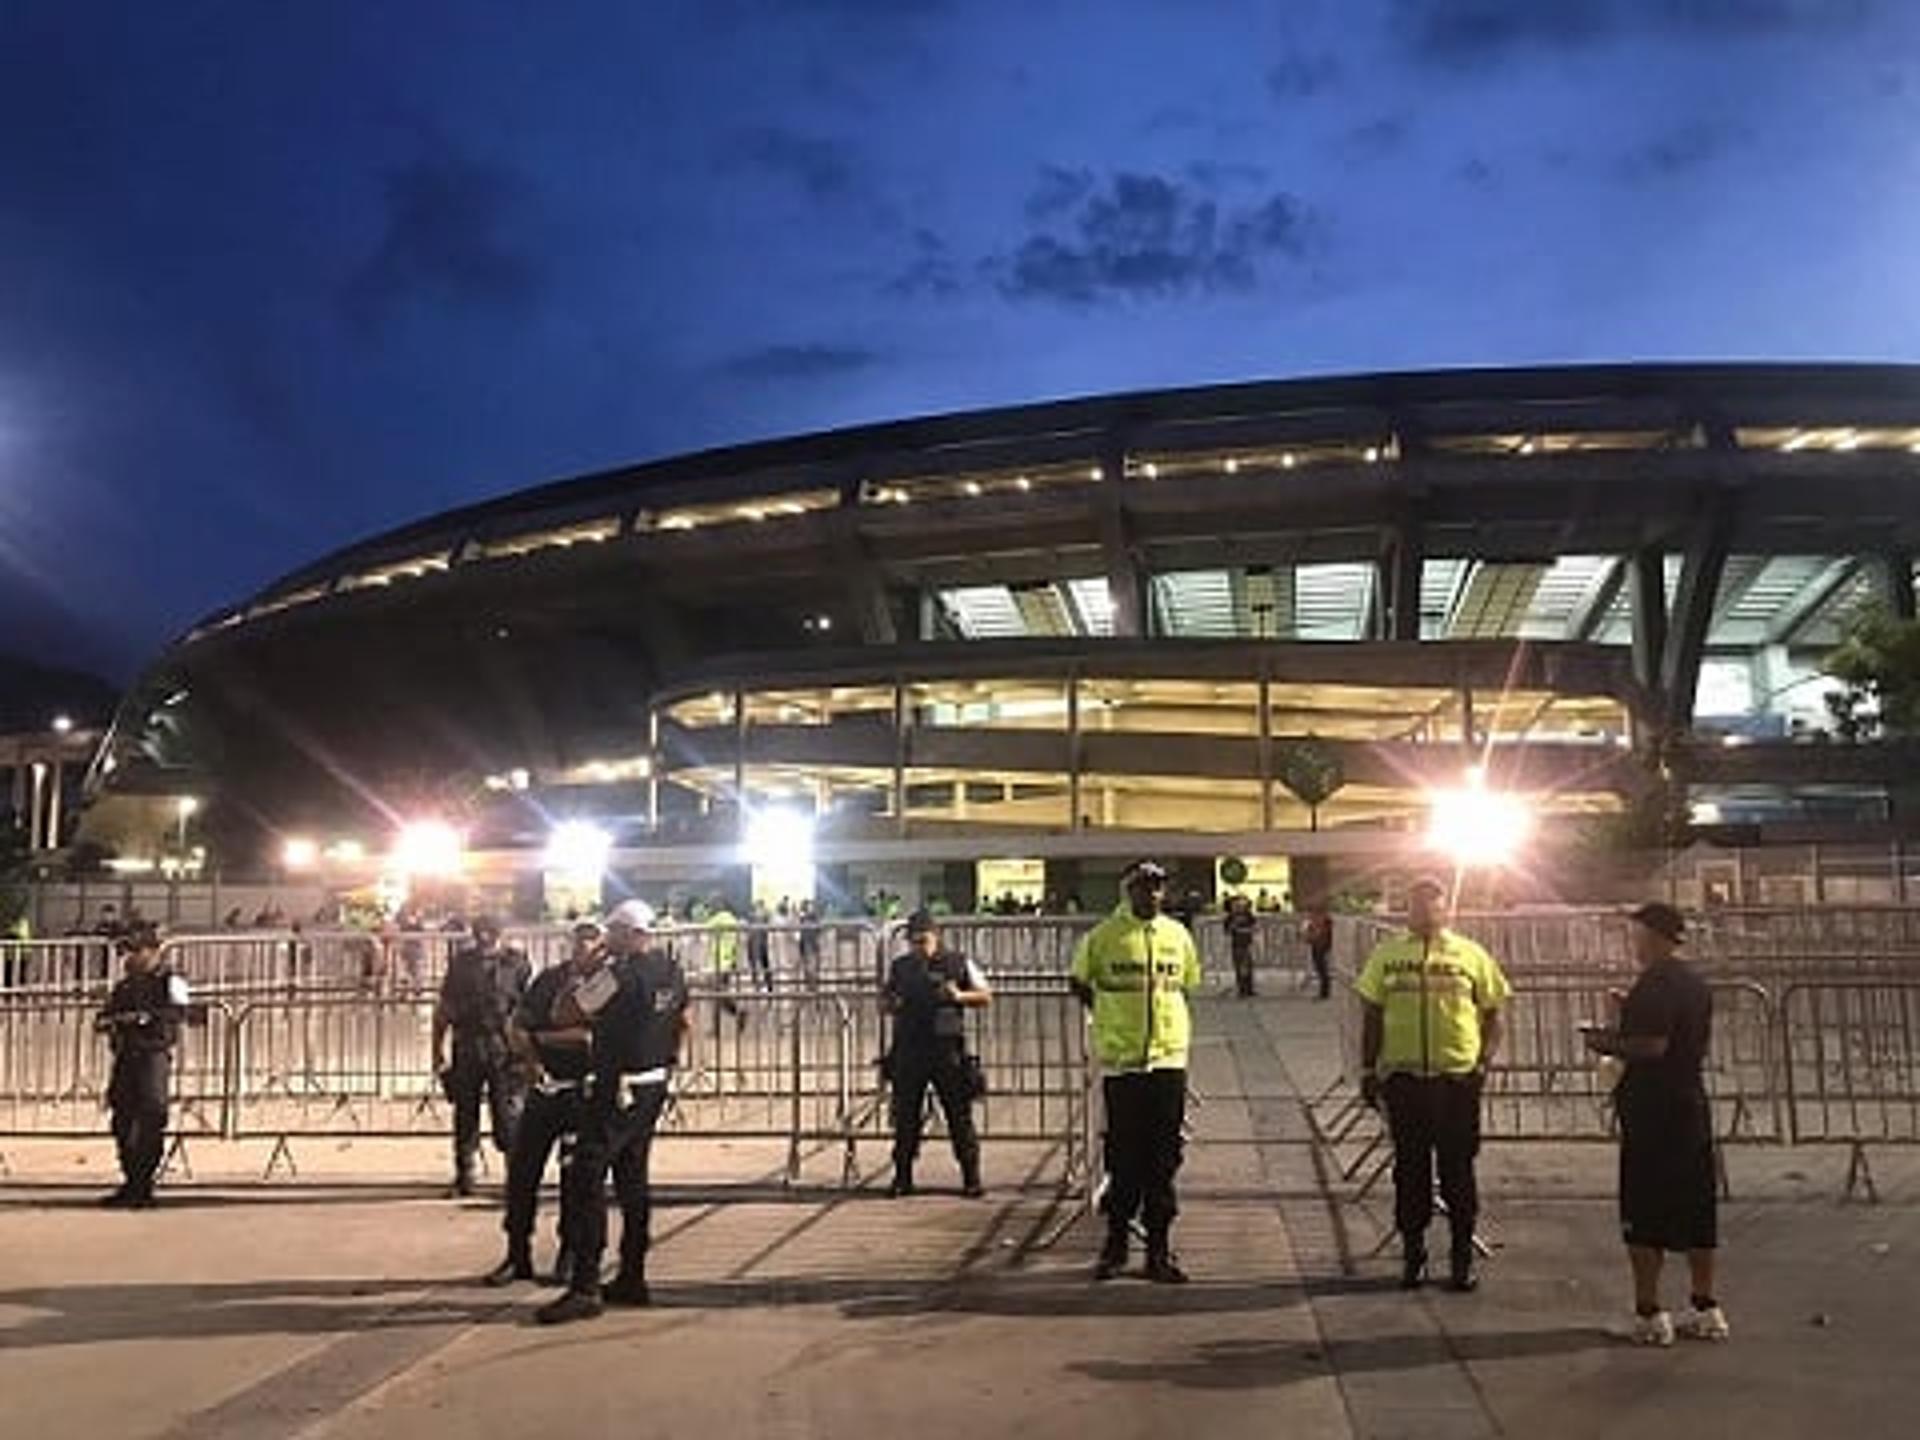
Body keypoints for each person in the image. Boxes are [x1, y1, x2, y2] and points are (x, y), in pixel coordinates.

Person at [539, 899, 691, 1324]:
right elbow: (683, 1018)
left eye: (613, 932)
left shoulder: (617, 976)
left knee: (587, 1176)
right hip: (652, 1084)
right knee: (633, 1180)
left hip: (617, 1089)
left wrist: (584, 970)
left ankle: (585, 1285)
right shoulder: (670, 970)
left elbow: (563, 1013)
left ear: (627, 934)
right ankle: (632, 1274)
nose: (608, 939)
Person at [1355, 876, 1510, 1291]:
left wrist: (1482, 1064)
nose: (1425, 913)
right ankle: (1413, 1254)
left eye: (1433, 906)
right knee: (1410, 1171)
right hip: (1405, 1082)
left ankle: (1461, 1259)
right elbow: (1371, 1014)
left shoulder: (1471, 955)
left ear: (1447, 910)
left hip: (1456, 1081)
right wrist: (1368, 1070)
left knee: (1458, 1171)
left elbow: (1494, 1013)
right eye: (1417, 906)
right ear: (1407, 911)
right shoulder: (1386, 955)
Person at [1584, 902, 1728, 1346]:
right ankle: (1705, 1306)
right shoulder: (1693, 982)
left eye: (1637, 934)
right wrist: (1631, 1010)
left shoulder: (1656, 982)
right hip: (1690, 1106)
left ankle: (1649, 1311)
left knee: (1644, 1209)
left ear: (1654, 935)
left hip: (1653, 1112)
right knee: (1697, 1207)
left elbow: (1651, 1045)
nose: (1633, 943)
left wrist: (1604, 1041)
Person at [1070, 859, 1203, 1283]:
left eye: (1158, 887)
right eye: (1144, 887)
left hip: (1167, 1063)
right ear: (1127, 890)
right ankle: (1116, 1247)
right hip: (1123, 1066)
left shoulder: (1177, 935)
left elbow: (1187, 985)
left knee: (1164, 1161)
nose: (1152, 895)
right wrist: (1108, 1020)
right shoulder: (1103, 937)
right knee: (1123, 1160)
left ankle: (1158, 1252)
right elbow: (1079, 982)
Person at [485, 918, 607, 1287]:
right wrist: (534, 1056)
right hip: (545, 1087)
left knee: (576, 1178)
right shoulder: (550, 980)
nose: (584, 950)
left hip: (583, 1091)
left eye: (593, 943)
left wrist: (542, 1038)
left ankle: (570, 1251)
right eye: (579, 943)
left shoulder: (606, 986)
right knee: (522, 1170)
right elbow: (518, 1027)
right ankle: (516, 1252)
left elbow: (589, 1039)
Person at [883, 910, 991, 1198]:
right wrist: (892, 1003)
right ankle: (902, 1177)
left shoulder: (958, 962)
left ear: (936, 935)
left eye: (923, 940)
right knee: (906, 1118)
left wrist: (959, 996)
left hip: (947, 1052)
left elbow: (985, 995)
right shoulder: (901, 967)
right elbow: (885, 1000)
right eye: (913, 941)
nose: (918, 947)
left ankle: (971, 1177)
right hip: (909, 1050)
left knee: (959, 1116)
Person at [432, 915, 531, 1197]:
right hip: (469, 1044)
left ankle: (516, 1177)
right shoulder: (462, 965)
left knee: (507, 1115)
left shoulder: (516, 964)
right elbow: (445, 1009)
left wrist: (529, 1052)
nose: (485, 938)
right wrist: (437, 1050)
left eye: (491, 932)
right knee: (466, 1113)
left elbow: (527, 1008)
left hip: (504, 1047)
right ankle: (465, 1175)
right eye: (481, 933)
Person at [92, 925, 189, 1208]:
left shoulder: (172, 980)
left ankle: (143, 1184)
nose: (129, 958)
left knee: (151, 1117)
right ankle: (131, 1180)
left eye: (136, 951)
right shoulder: (124, 986)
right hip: (125, 1057)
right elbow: (103, 1017)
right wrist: (109, 1022)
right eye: (127, 952)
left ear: (153, 951)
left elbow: (186, 1012)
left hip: (153, 1057)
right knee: (122, 1119)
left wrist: (145, 1018)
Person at [1224, 893, 1258, 998]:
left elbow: (1254, 926)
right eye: (1237, 905)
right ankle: (1242, 989)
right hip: (1237, 944)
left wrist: (1249, 931)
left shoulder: (1248, 915)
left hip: (1247, 944)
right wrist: (1234, 927)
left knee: (1248, 966)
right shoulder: (1230, 917)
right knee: (1239, 967)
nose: (1240, 906)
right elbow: (1227, 930)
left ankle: (1249, 988)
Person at [1303, 904, 1335, 1001]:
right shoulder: (1319, 922)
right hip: (1318, 945)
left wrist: (1311, 936)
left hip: (1320, 946)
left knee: (1322, 969)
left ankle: (1324, 992)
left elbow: (1319, 934)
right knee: (1320, 968)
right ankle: (1323, 992)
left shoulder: (1324, 922)